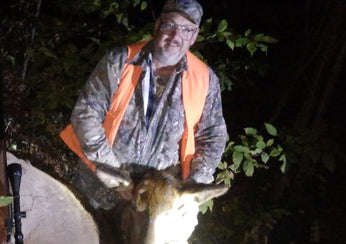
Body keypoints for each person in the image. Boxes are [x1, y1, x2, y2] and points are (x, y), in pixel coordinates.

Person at [61, 0, 228, 210]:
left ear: (194, 37)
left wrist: (193, 184)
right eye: (171, 25)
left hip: (158, 197)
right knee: (83, 239)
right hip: (101, 183)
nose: (176, 36)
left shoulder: (205, 79)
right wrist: (114, 174)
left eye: (187, 30)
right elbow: (86, 114)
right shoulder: (120, 60)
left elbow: (213, 136)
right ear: (158, 26)